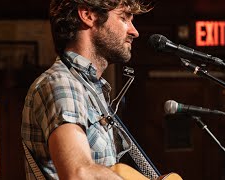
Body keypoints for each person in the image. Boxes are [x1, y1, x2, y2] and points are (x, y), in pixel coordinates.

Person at [21, 0, 150, 179]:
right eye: (124, 18)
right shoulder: (62, 83)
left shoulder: (89, 89)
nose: (134, 31)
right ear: (88, 15)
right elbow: (78, 173)